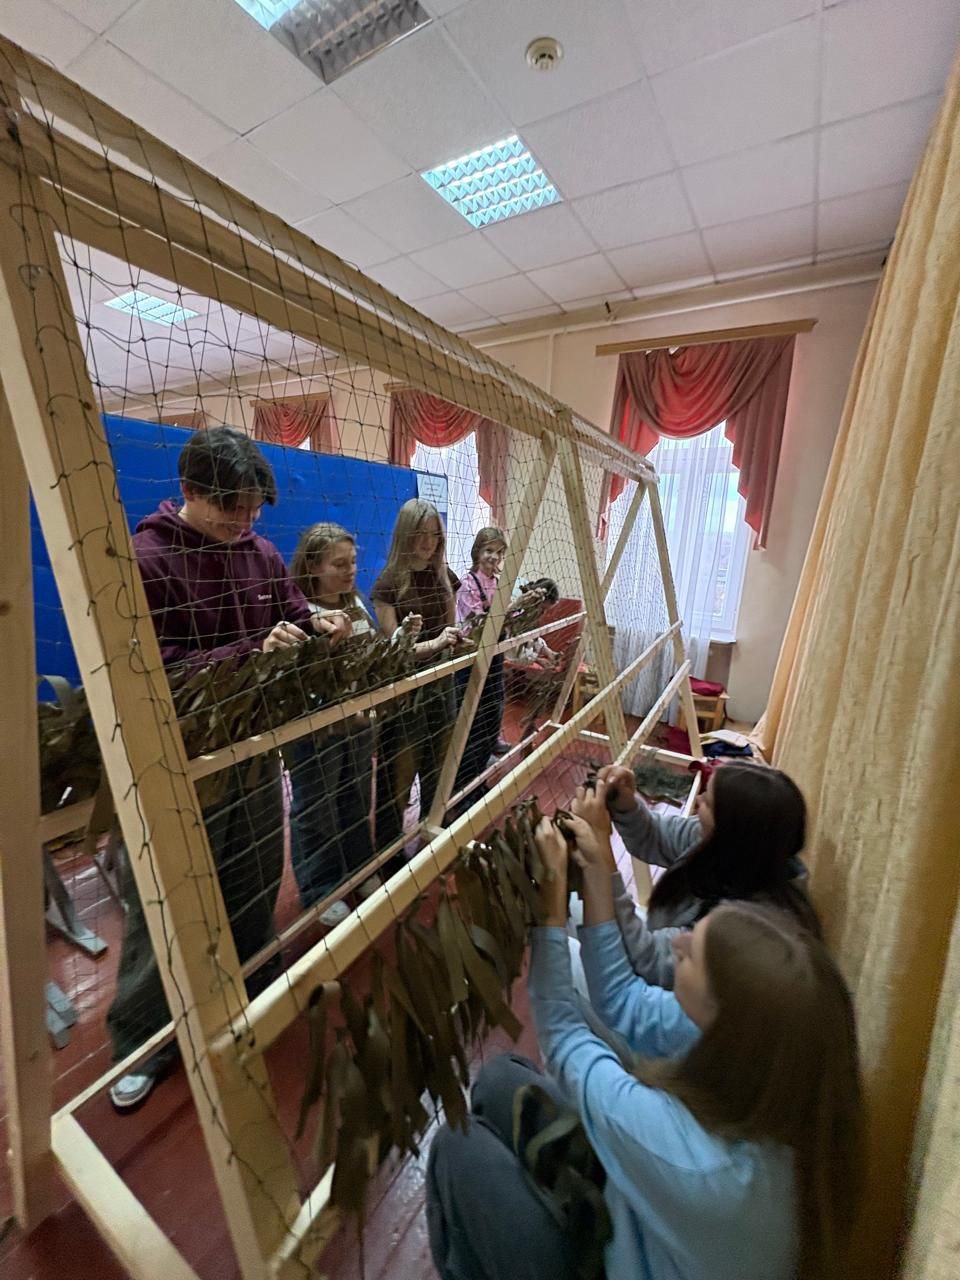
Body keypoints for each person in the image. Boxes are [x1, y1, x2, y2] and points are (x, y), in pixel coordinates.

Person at [426, 779, 865, 1280]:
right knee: (500, 1076)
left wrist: (549, 909)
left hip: (627, 1247)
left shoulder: (699, 1164)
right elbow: (622, 1000)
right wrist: (598, 866)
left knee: (456, 1145)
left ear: (722, 1011)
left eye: (693, 954)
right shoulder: (769, 1057)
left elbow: (565, 1038)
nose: (678, 945)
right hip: (644, 1219)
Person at [107, 427, 345, 1111]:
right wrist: (252, 651)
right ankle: (140, 1042)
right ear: (189, 490)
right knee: (165, 902)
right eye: (230, 507)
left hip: (253, 749)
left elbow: (291, 612)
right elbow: (154, 670)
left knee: (256, 875)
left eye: (253, 507)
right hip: (175, 761)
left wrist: (318, 623)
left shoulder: (261, 553)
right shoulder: (147, 559)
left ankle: (251, 985)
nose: (244, 520)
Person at [570, 761, 821, 989]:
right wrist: (627, 805)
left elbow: (650, 961)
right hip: (659, 947)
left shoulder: (743, 928)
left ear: (732, 828)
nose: (699, 799)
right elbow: (656, 835)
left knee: (564, 955)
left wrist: (599, 847)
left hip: (662, 995)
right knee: (574, 905)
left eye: (708, 802)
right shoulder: (739, 849)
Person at [287, 522, 379, 926]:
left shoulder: (355, 603)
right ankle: (318, 888)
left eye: (353, 562)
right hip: (317, 731)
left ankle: (359, 866)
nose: (350, 570)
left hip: (358, 723)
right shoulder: (304, 615)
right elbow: (300, 680)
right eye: (339, 564)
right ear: (312, 567)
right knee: (315, 806)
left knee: (355, 796)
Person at [370, 499, 461, 861]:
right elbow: (396, 648)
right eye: (420, 534)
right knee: (398, 774)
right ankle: (388, 855)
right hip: (405, 691)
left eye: (434, 535)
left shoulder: (445, 576)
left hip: (442, 685)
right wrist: (437, 644)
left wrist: (461, 640)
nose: (428, 542)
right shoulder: (388, 582)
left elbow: (452, 627)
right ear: (405, 534)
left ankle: (432, 833)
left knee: (439, 766)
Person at [452, 527, 510, 799]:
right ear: (477, 552)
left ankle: (478, 777)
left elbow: (508, 619)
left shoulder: (500, 583)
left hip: (495, 658)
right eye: (489, 551)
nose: (493, 557)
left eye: (499, 552)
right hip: (472, 660)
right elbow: (475, 625)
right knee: (472, 723)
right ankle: (463, 784)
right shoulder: (467, 584)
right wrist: (505, 616)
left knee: (492, 716)